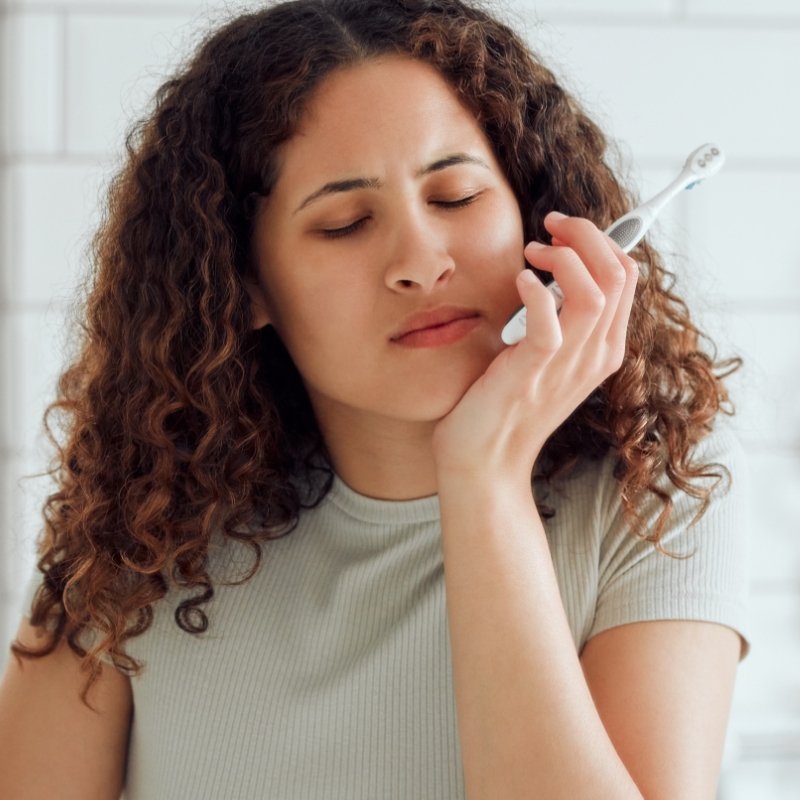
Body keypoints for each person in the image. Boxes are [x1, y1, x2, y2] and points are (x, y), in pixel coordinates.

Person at [0, 0, 750, 798]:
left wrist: (485, 480)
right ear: (243, 282)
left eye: (457, 197)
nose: (420, 262)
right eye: (346, 222)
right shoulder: (147, 519)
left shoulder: (656, 483)